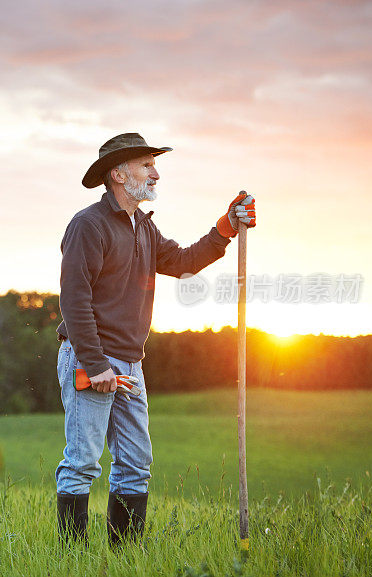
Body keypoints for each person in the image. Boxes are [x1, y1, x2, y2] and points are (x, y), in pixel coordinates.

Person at [55, 133, 255, 546]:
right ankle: (70, 561)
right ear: (119, 174)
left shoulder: (143, 226)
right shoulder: (88, 225)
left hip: (130, 363)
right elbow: (75, 302)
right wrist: (96, 366)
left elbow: (183, 262)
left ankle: (125, 558)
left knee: (135, 463)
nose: (156, 173)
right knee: (82, 463)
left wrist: (226, 227)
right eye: (147, 165)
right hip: (89, 359)